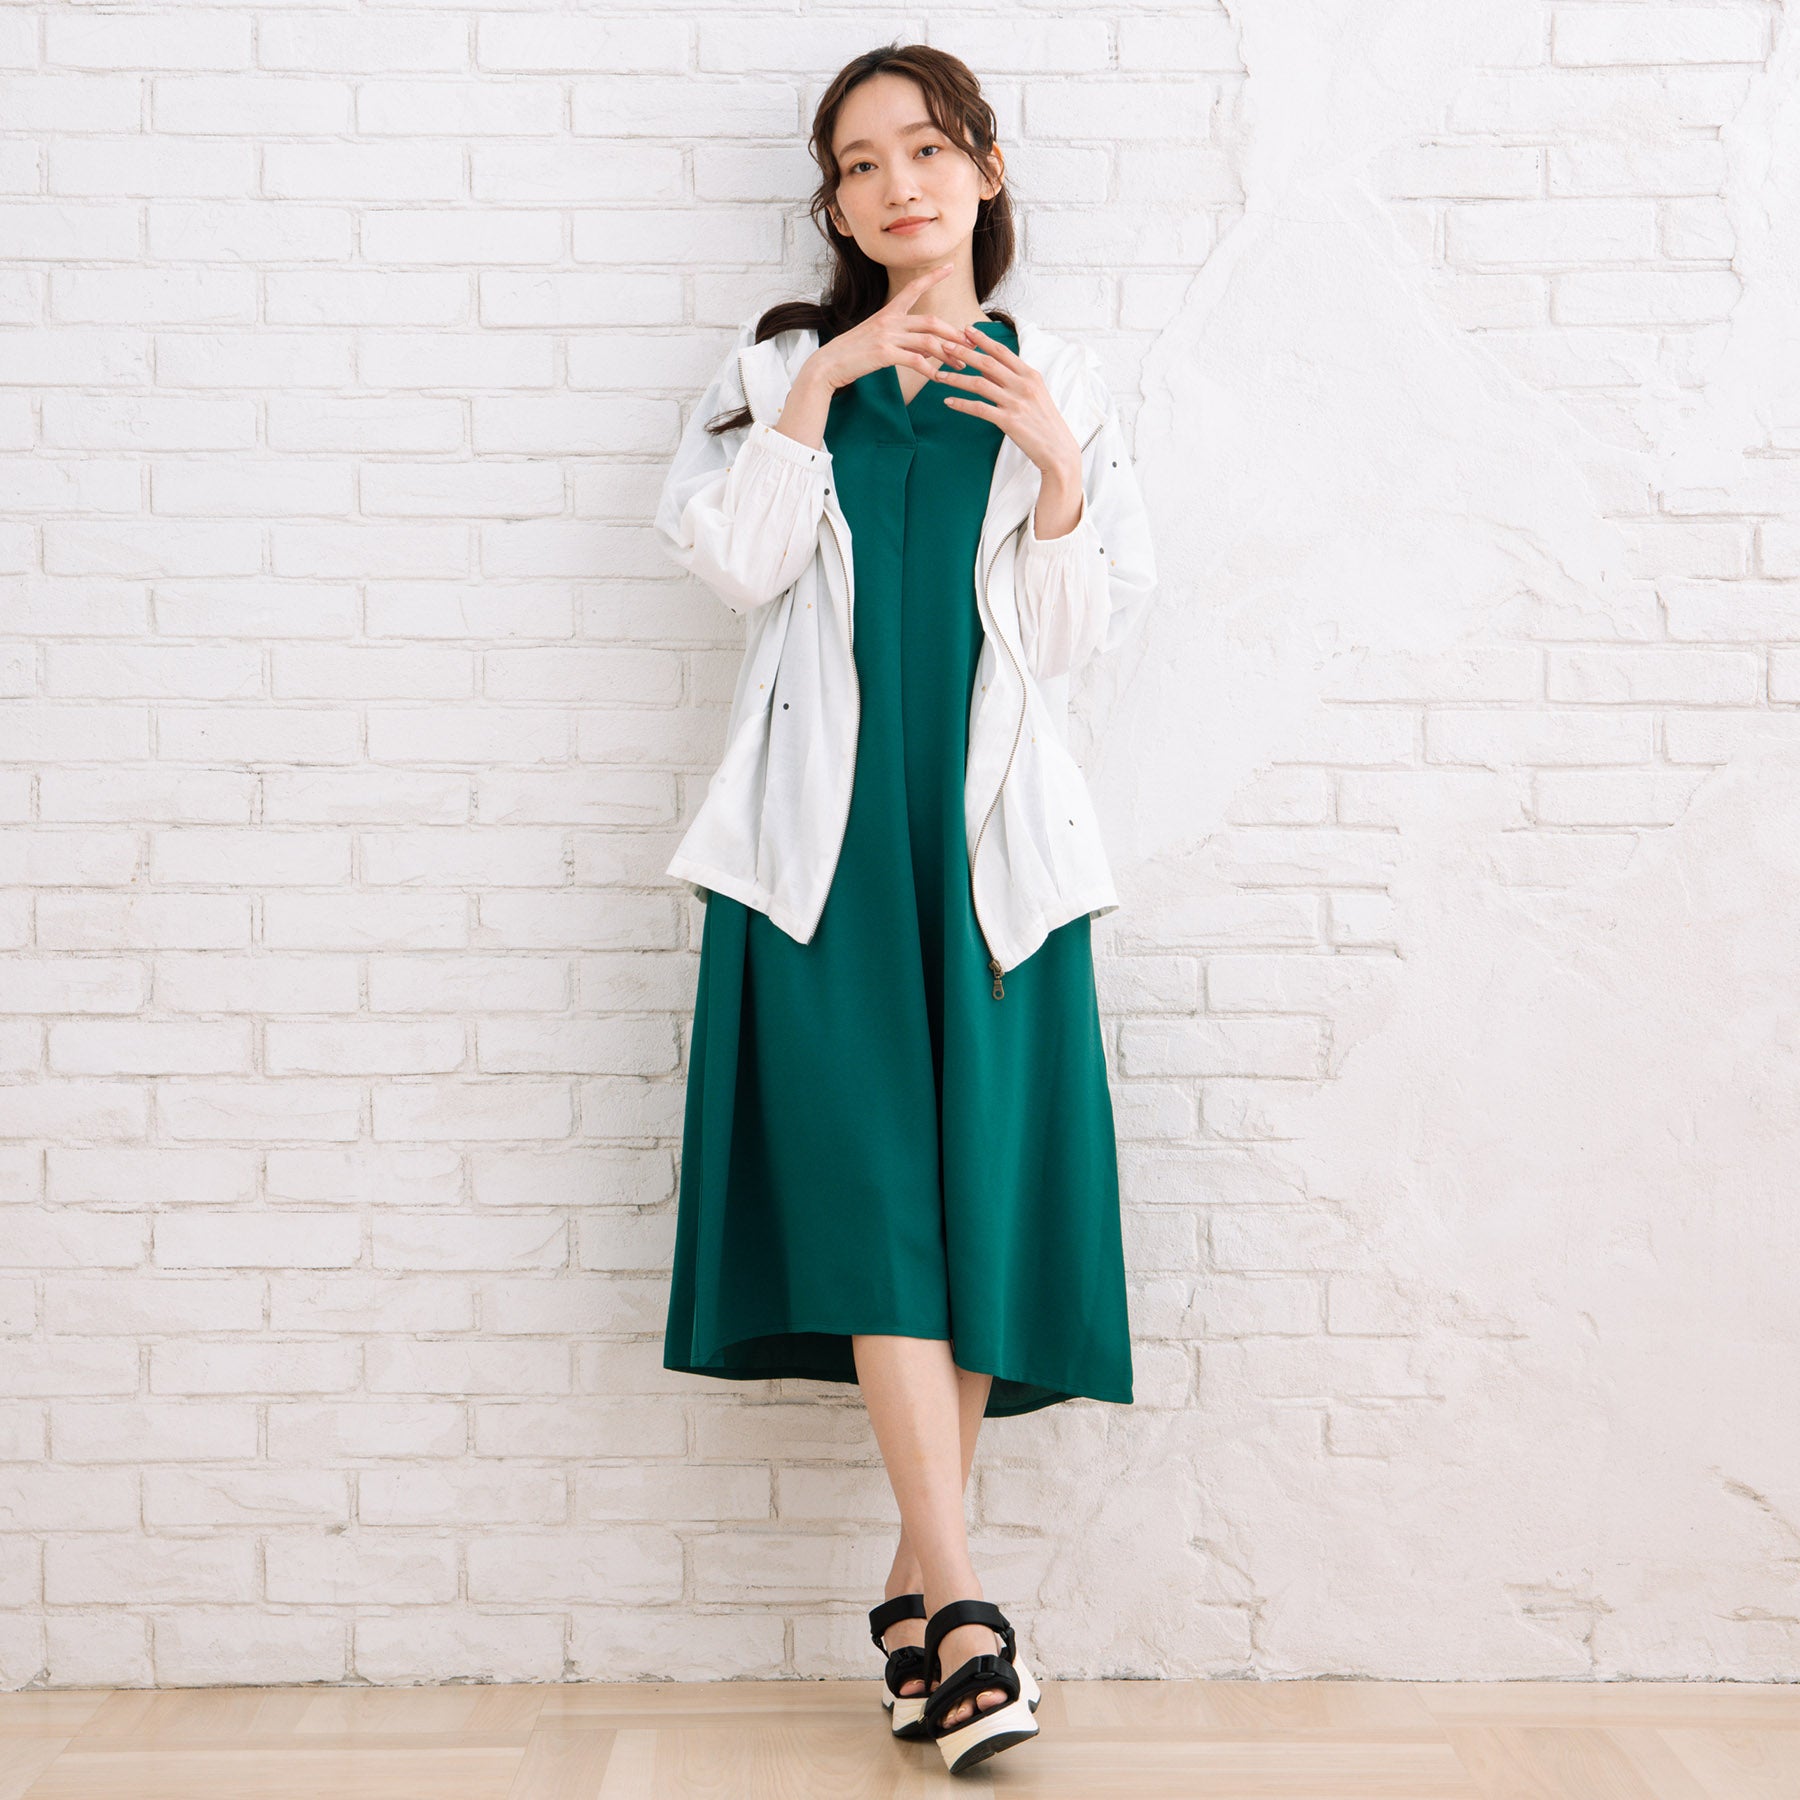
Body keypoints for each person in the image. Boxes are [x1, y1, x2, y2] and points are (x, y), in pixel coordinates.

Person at [651, 40, 1157, 1777]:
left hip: (995, 857)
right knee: (882, 1212)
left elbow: (1078, 642)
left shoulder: (1061, 376)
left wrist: (1063, 475)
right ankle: (965, 1607)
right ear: (838, 206)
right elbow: (737, 567)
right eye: (859, 165)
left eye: (926, 150)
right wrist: (817, 394)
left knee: (962, 1217)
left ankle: (916, 1606)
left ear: (986, 170)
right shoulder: (775, 373)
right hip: (822, 861)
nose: (895, 186)